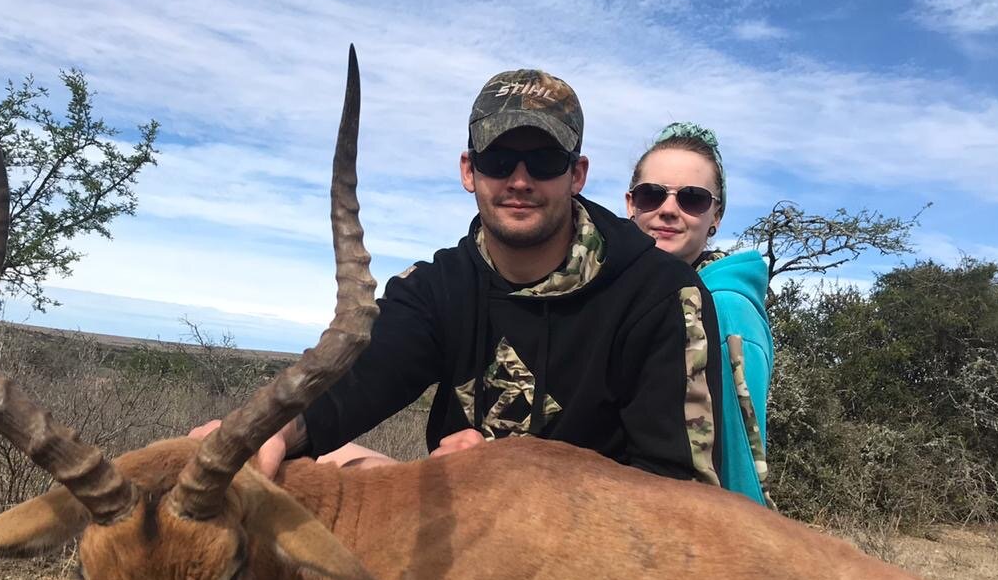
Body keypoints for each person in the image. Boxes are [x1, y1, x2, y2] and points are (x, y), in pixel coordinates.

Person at [195, 70, 725, 485]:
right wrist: (264, 430)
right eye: (498, 159)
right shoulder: (437, 288)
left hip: (600, 576)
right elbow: (356, 379)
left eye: (543, 160)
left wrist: (508, 474)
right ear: (469, 171)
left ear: (577, 173)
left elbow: (678, 489)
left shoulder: (660, 297)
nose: (519, 180)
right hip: (470, 564)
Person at [625, 122, 774, 506]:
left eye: (692, 198)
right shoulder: (635, 295)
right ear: (630, 204)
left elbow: (740, 451)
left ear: (716, 217)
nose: (668, 210)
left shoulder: (726, 308)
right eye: (651, 195)